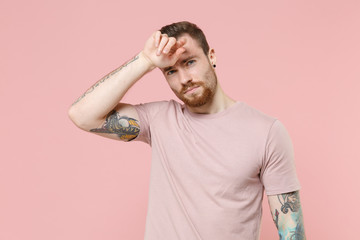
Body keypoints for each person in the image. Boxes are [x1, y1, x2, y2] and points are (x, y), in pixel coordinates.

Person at [68, 21, 306, 240]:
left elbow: (291, 231)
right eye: (171, 71)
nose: (183, 79)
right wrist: (145, 60)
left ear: (211, 56)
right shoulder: (159, 120)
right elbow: (82, 116)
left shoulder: (266, 132)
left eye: (189, 62)